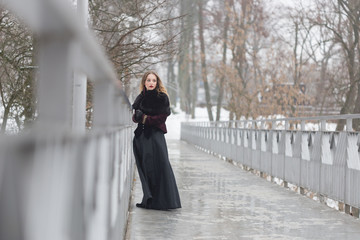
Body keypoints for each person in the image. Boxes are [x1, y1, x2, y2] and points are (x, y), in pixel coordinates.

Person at [132, 71, 181, 210]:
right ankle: (148, 199)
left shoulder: (162, 98)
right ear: (144, 82)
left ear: (157, 82)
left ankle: (163, 201)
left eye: (154, 80)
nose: (151, 83)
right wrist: (138, 117)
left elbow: (161, 118)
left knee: (160, 166)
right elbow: (135, 117)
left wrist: (145, 118)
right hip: (141, 137)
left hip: (155, 137)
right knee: (145, 168)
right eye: (148, 80)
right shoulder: (140, 98)